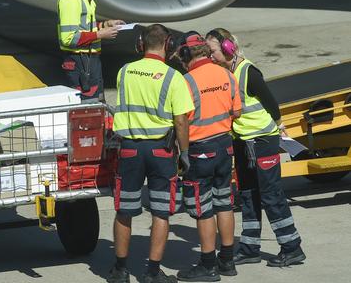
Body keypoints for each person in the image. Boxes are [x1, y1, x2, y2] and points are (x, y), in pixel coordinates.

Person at [205, 28, 306, 267]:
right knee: (248, 195)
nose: (209, 56)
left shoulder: (248, 72)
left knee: (271, 195)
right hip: (242, 142)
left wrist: (281, 127)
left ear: (228, 48)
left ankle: (292, 247)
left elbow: (271, 103)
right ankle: (250, 248)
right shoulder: (223, 72)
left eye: (212, 51)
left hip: (262, 141)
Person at [108, 24, 194, 283]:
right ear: (168, 46)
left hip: (130, 150)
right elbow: (181, 121)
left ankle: (120, 270)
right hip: (161, 151)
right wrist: (185, 153)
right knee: (160, 211)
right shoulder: (173, 77)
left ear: (140, 44)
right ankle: (152, 273)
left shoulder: (125, 71)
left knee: (125, 210)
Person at [170, 32, 241, 282]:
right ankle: (228, 260)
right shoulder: (227, 75)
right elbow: (238, 113)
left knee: (203, 210)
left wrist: (183, 154)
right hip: (225, 146)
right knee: (224, 203)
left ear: (187, 55)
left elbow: (180, 120)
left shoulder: (186, 81)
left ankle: (208, 264)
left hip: (200, 150)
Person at [57, 0, 124, 100]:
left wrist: (105, 25)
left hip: (88, 62)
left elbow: (84, 26)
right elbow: (68, 38)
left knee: (97, 105)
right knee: (88, 108)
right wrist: (100, 34)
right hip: (80, 64)